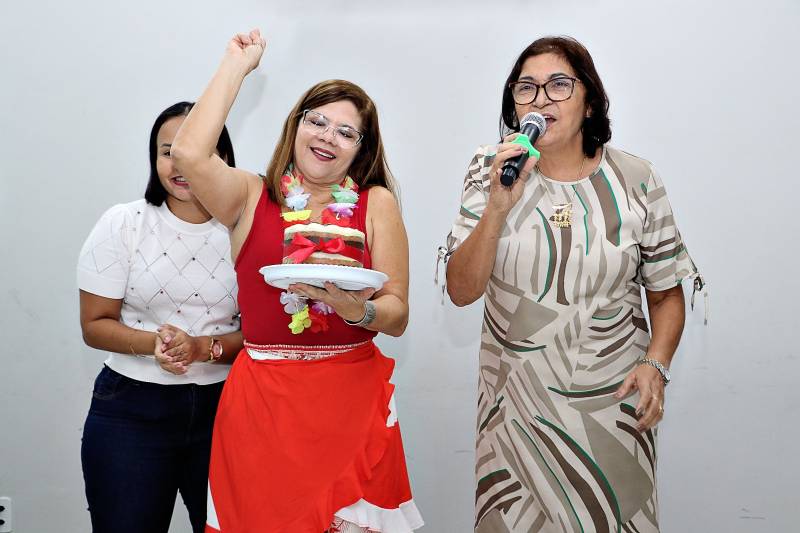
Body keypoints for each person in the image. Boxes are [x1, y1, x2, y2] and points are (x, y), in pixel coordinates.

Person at [440, 37, 704, 532]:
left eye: (558, 85)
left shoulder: (636, 178)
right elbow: (461, 290)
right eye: (526, 87)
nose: (540, 99)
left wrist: (656, 364)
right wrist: (498, 205)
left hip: (613, 408)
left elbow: (667, 293)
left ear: (590, 102)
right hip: (514, 413)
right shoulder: (491, 169)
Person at [170, 29, 423, 533]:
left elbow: (396, 313)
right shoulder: (250, 196)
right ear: (296, 126)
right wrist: (236, 67)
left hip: (350, 402)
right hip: (261, 407)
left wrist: (358, 310)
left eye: (346, 132)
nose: (328, 136)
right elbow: (190, 155)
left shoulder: (376, 203)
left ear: (361, 149)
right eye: (318, 121)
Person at [77, 101, 243, 533]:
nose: (180, 163)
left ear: (223, 157)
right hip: (131, 410)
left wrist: (203, 348)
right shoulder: (124, 223)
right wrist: (156, 345)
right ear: (154, 159)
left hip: (228, 409)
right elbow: (94, 324)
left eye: (195, 149)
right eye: (168, 151)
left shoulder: (246, 230)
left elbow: (267, 334)